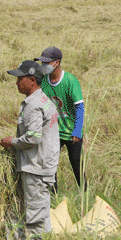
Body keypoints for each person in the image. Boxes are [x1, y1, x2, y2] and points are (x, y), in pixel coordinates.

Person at [0, 60, 59, 240]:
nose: (17, 83)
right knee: (41, 212)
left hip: (35, 168)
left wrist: (12, 142)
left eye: (20, 79)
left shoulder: (33, 105)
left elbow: (33, 137)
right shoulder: (44, 100)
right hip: (44, 165)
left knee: (34, 216)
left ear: (32, 80)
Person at [35, 46, 86, 190]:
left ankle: (84, 192)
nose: (43, 66)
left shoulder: (70, 81)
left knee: (76, 162)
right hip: (53, 131)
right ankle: (53, 194)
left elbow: (79, 107)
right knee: (50, 163)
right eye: (42, 63)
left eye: (46, 62)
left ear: (56, 63)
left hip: (71, 131)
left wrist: (77, 130)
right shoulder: (44, 81)